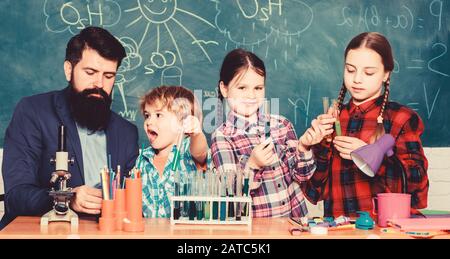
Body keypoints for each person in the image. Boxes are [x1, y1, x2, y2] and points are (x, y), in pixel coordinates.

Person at [0, 26, 139, 229]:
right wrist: (66, 199)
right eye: (90, 72)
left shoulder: (126, 132)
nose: (99, 84)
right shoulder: (32, 112)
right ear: (68, 70)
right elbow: (16, 195)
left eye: (109, 76)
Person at [301, 32, 429, 217]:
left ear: (386, 74)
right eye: (350, 70)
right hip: (341, 230)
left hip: (388, 230)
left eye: (369, 72)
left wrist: (372, 156)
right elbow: (315, 192)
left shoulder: (401, 118)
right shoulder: (334, 119)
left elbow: (417, 187)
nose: (357, 79)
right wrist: (312, 147)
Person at [211, 48, 327, 217]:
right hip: (255, 232)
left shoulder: (281, 125)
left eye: (258, 88)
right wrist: (253, 165)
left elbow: (302, 176)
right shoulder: (223, 136)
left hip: (294, 226)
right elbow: (231, 197)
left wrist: (303, 147)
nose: (251, 95)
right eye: (242, 87)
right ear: (224, 88)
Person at [137, 85, 208, 218]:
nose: (149, 121)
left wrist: (197, 134)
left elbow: (200, 151)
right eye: (147, 115)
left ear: (182, 122)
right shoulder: (142, 159)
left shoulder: (188, 149)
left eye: (158, 115)